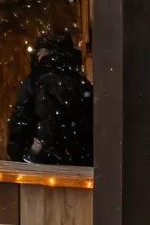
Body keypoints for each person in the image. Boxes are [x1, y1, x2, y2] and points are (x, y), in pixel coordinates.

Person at [6, 29, 93, 166]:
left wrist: (19, 153)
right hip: (80, 163)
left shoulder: (35, 80)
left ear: (42, 54)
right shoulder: (82, 83)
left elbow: (21, 122)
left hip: (40, 161)